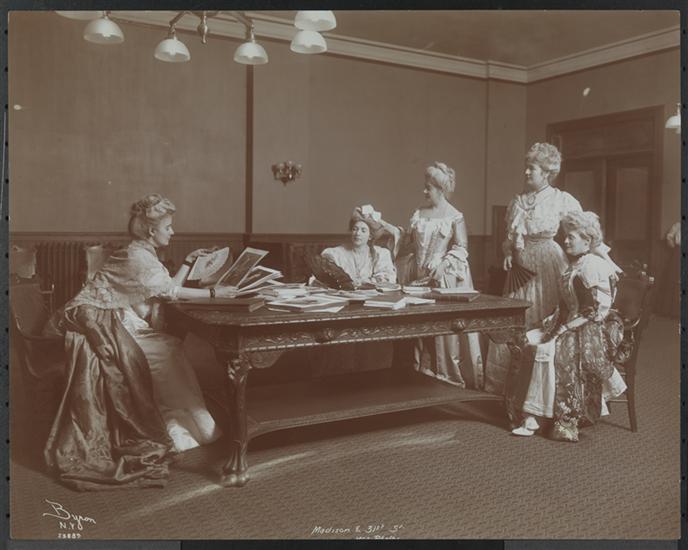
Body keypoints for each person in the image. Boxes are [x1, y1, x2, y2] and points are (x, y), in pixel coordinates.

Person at [44, 193, 235, 490]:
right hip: (101, 318)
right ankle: (172, 427)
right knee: (165, 351)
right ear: (151, 231)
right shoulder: (136, 257)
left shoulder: (143, 253)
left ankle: (186, 425)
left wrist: (188, 262)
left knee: (169, 348)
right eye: (168, 227)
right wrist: (213, 293)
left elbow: (165, 287)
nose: (172, 232)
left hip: (117, 316)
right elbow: (169, 292)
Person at [484, 142, 621, 395]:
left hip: (549, 263)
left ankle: (542, 391)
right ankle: (511, 385)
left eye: (532, 168)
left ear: (547, 172)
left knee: (545, 318)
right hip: (520, 270)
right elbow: (509, 237)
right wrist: (508, 253)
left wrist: (608, 260)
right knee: (515, 320)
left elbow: (587, 231)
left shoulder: (561, 199)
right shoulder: (516, 201)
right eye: (526, 167)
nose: (526, 172)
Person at [505, 211, 627, 442]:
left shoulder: (592, 266)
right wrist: (552, 321)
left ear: (587, 241)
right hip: (572, 321)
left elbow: (591, 311)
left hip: (590, 328)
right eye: (566, 236)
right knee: (526, 339)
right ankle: (531, 410)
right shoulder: (576, 264)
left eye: (571, 237)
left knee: (547, 349)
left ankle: (537, 418)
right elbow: (568, 303)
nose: (566, 241)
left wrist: (562, 329)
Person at [370, 162, 483, 388]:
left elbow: (462, 247)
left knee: (443, 330)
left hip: (443, 277)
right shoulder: (419, 213)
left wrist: (444, 263)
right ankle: (422, 373)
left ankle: (447, 376)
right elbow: (409, 241)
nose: (424, 191)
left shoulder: (455, 216)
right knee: (420, 326)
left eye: (428, 187)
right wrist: (387, 227)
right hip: (417, 276)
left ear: (440, 189)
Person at [320, 210, 397, 287]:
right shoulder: (336, 253)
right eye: (355, 229)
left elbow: (387, 277)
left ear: (370, 236)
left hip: (371, 293)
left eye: (363, 231)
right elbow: (326, 272)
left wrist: (364, 282)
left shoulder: (381, 254)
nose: (357, 233)